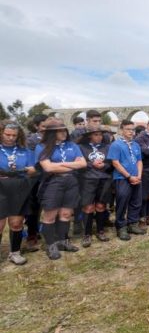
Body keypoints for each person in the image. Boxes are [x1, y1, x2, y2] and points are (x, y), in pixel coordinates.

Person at [35, 118, 87, 260]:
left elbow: (82, 163)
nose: (63, 133)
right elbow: (48, 167)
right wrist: (71, 164)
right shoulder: (42, 147)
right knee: (50, 216)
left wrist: (61, 164)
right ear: (52, 133)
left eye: (64, 130)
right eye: (59, 131)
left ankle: (63, 241)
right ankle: (51, 245)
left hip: (71, 181)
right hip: (52, 182)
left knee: (65, 214)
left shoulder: (71, 145)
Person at [0, 120, 36, 265]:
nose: (10, 137)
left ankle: (14, 252)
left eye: (14, 135)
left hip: (19, 188)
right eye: (7, 134)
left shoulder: (25, 150)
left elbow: (34, 169)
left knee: (16, 223)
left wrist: (24, 170)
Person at [107, 120, 146, 241]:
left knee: (136, 201)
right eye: (128, 129)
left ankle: (132, 224)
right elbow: (115, 162)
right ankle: (121, 226)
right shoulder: (116, 145)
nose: (131, 132)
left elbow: (139, 161)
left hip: (136, 178)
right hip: (122, 178)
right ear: (121, 130)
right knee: (122, 201)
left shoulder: (136, 145)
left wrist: (139, 175)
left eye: (133, 129)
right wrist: (129, 176)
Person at [77, 126, 114, 246]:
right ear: (89, 136)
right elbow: (79, 162)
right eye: (96, 134)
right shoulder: (81, 147)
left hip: (104, 179)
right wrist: (91, 164)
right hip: (88, 180)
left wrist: (104, 165)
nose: (99, 137)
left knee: (101, 206)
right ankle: (87, 234)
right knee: (88, 207)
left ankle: (100, 231)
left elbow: (112, 162)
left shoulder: (107, 147)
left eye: (100, 134)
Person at [23, 113, 47, 252]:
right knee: (33, 208)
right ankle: (32, 235)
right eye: (43, 126)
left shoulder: (53, 139)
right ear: (36, 126)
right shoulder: (31, 140)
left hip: (49, 176)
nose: (45, 129)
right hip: (35, 178)